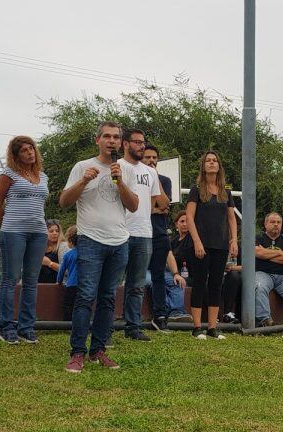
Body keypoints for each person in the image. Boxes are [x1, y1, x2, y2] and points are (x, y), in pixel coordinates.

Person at [59, 121, 138, 373]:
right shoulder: (82, 167)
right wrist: (83, 181)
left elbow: (134, 205)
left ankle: (99, 350)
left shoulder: (125, 170)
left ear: (121, 143)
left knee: (107, 298)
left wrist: (120, 181)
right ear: (98, 140)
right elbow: (63, 202)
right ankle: (77, 352)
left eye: (116, 137)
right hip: (91, 240)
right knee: (85, 296)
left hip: (119, 241)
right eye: (107, 136)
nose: (111, 141)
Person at [0, 136, 49, 344]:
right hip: (14, 231)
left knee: (32, 281)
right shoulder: (9, 174)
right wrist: (7, 227)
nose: (29, 153)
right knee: (11, 278)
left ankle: (26, 326)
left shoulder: (43, 176)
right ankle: (6, 326)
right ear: (16, 155)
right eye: (24, 150)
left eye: (31, 148)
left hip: (39, 231)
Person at [183, 151, 238, 340]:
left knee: (216, 285)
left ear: (219, 166)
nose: (212, 163)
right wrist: (197, 241)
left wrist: (233, 240)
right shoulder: (196, 189)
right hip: (200, 244)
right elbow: (189, 216)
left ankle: (213, 327)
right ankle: (197, 327)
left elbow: (231, 218)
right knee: (200, 283)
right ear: (203, 166)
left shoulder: (226, 192)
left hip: (220, 244)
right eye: (208, 160)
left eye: (215, 160)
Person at [118, 129, 164, 341]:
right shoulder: (118, 166)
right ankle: (105, 327)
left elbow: (161, 203)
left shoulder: (150, 172)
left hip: (144, 232)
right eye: (136, 142)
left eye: (143, 142)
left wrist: (155, 172)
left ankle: (133, 327)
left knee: (136, 284)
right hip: (119, 231)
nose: (141, 146)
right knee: (112, 282)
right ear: (125, 144)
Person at [142, 144, 175, 332]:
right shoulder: (135, 179)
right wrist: (153, 208)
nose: (152, 160)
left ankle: (160, 316)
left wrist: (155, 179)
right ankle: (130, 316)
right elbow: (139, 208)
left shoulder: (165, 180)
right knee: (135, 275)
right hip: (139, 234)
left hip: (160, 234)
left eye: (155, 157)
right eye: (148, 157)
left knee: (159, 275)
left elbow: (164, 205)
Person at [167, 211, 193, 322]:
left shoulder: (192, 239)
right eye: (182, 221)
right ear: (176, 224)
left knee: (176, 282)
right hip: (172, 273)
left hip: (189, 275)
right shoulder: (173, 241)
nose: (184, 224)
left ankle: (176, 312)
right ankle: (170, 311)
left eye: (187, 221)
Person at [57, 226, 79, 322]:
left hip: (71, 284)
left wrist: (59, 281)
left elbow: (61, 271)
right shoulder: (87, 254)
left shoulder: (68, 255)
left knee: (68, 305)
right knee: (82, 305)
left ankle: (67, 324)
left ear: (70, 241)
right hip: (85, 284)